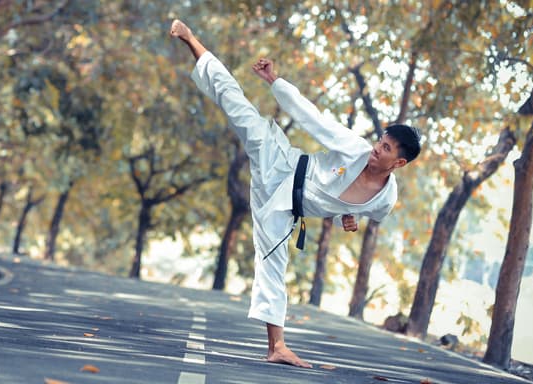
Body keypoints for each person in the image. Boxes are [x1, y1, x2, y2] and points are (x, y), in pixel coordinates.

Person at [170, 19, 421, 368]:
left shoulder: (384, 201)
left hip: (286, 206)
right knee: (237, 106)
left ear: (400, 162)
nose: (378, 149)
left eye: (388, 148)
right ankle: (191, 39)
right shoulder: (355, 149)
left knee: (273, 262)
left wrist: (349, 216)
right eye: (381, 141)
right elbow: (314, 119)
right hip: (283, 162)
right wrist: (275, 81)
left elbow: (358, 209)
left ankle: (277, 347)